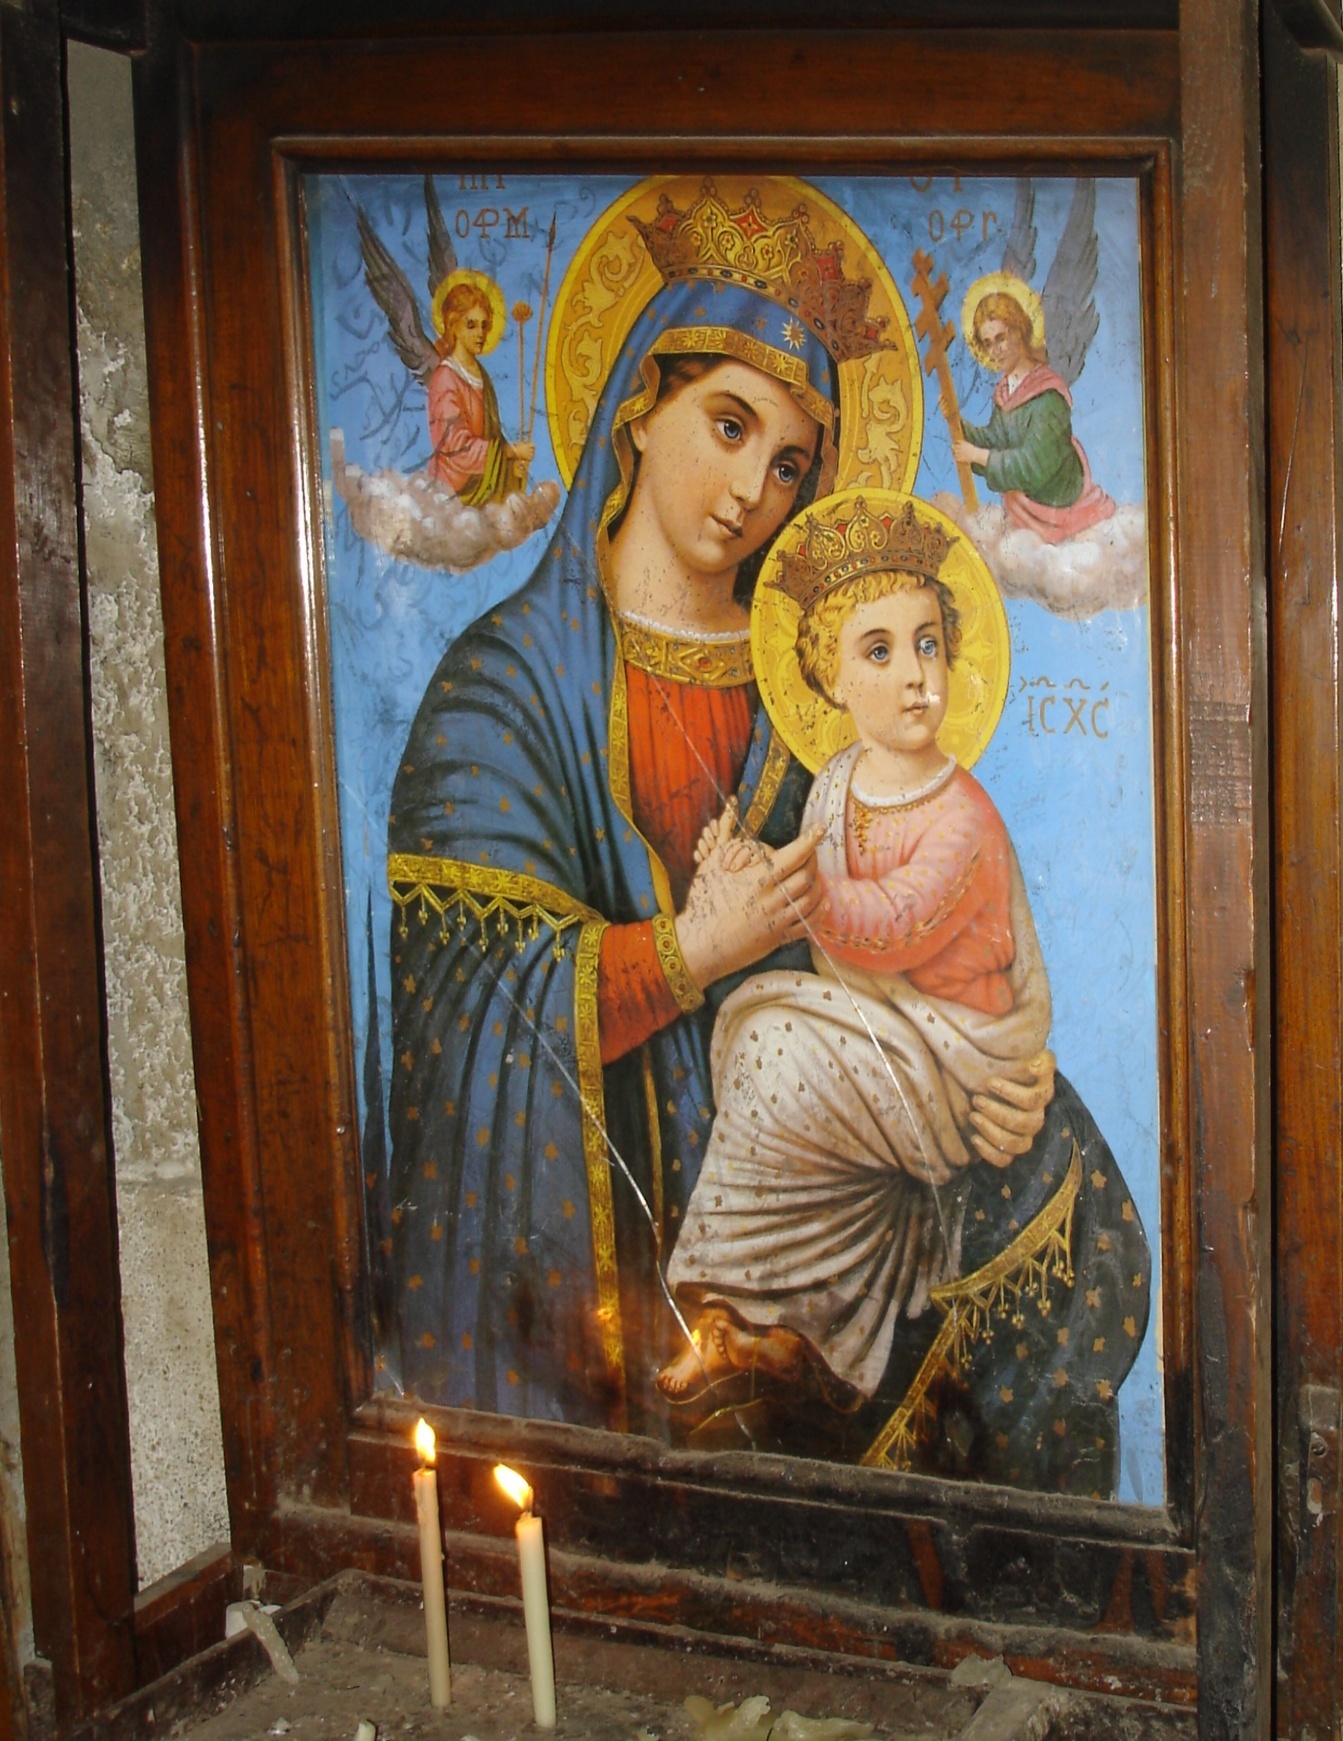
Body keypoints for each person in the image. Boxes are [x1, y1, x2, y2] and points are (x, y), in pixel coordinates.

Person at [386, 182, 1057, 1434]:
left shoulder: (821, 693)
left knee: (1066, 1179)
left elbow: (917, 923)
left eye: (790, 462)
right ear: (639, 407)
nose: (753, 487)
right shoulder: (498, 690)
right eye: (730, 424)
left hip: (820, 1183)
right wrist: (689, 952)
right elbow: (465, 1013)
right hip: (594, 1243)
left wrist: (999, 1070)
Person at [660, 495, 1054, 1410]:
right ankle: (760, 1321)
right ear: (830, 680)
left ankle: (737, 1305)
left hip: (954, 1064)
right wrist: (740, 869)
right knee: (766, 1056)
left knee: (771, 1050)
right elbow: (823, 904)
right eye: (879, 651)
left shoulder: (962, 816)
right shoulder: (836, 781)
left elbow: (892, 922)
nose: (916, 676)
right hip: (883, 1040)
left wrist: (786, 889)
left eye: (928, 645)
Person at [951, 282, 1116, 545]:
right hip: (1026, 515)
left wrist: (979, 456)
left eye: (1001, 338)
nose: (995, 351)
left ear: (1020, 331)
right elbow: (997, 441)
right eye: (988, 344)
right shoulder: (1006, 393)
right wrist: (956, 424)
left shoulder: (1048, 397)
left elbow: (1034, 466)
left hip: (1063, 511)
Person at [425, 275, 534, 506]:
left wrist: (510, 468)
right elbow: (456, 448)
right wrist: (510, 452)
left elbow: (492, 436)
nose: (481, 333)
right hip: (452, 494)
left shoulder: (481, 375)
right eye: (471, 325)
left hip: (483, 488)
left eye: (485, 325)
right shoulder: (445, 378)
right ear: (453, 326)